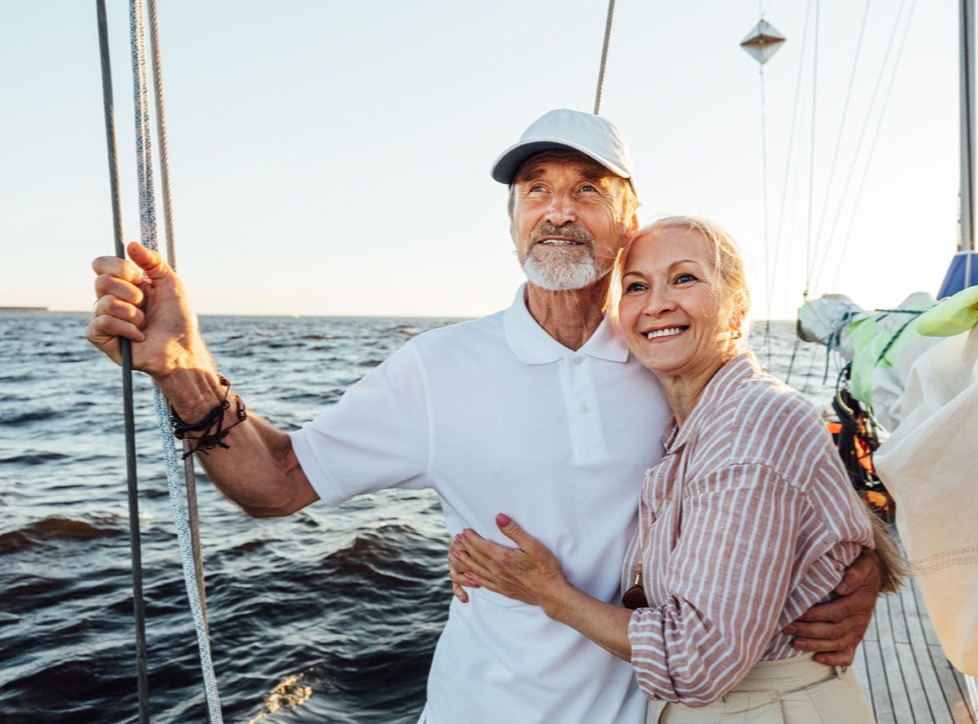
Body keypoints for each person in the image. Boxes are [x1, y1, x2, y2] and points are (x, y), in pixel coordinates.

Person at [86, 109, 884, 723]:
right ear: (510, 224)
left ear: (626, 222)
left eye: (586, 189)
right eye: (535, 189)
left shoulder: (670, 356)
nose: (557, 209)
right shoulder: (438, 370)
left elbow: (796, 470)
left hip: (655, 709)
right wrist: (184, 369)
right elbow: (278, 483)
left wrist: (865, 572)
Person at [454, 216, 897, 722]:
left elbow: (697, 663)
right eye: (637, 286)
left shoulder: (750, 427)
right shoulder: (688, 420)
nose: (657, 303)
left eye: (684, 278)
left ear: (737, 307)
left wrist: (549, 593)